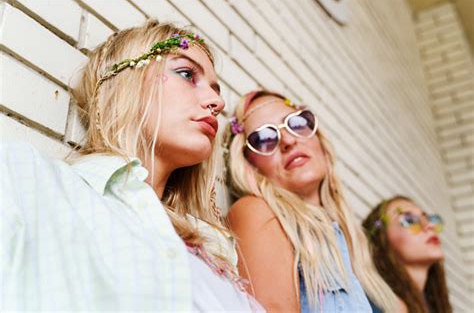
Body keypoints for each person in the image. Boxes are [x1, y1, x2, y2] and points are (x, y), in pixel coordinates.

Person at [1, 21, 262, 311]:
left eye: (216, 90)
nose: (217, 101)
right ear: (128, 81)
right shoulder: (28, 181)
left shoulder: (217, 251)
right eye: (187, 74)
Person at [224, 90, 399, 312]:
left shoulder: (353, 247)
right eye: (264, 138)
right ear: (250, 164)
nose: (288, 140)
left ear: (319, 140)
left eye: (296, 123)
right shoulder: (255, 212)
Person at [362, 196, 452, 313]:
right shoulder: (367, 304)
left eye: (428, 219)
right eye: (410, 220)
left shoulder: (435, 307)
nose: (430, 226)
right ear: (380, 241)